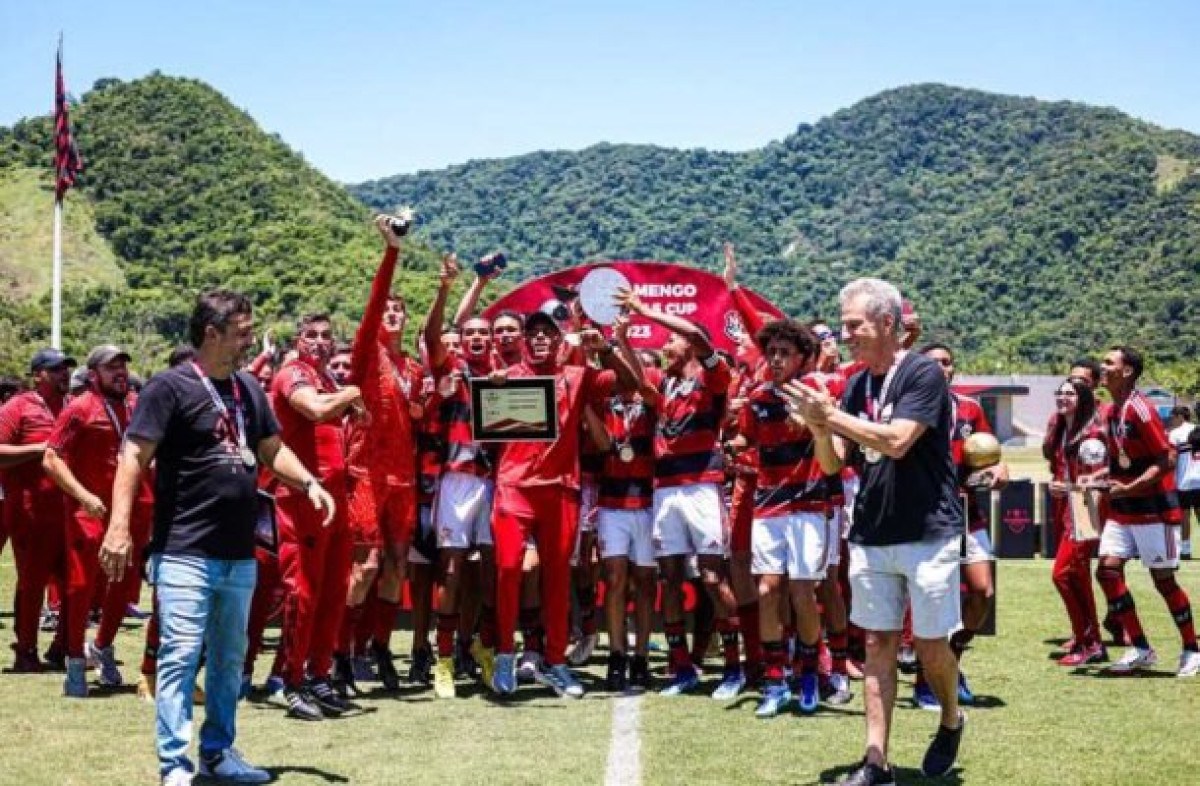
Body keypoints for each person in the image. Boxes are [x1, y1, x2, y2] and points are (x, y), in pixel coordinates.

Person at [99, 289, 335, 786]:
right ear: (212, 333)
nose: (250, 339)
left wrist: (310, 482)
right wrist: (119, 526)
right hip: (185, 549)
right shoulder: (169, 387)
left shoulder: (248, 388)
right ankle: (175, 765)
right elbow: (133, 458)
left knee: (229, 662)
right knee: (181, 657)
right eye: (243, 331)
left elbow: (271, 449)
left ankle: (218, 752)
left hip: (238, 554)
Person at [784, 278, 965, 785]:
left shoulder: (924, 373)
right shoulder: (857, 383)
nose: (846, 337)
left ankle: (951, 716)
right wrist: (821, 429)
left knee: (931, 648)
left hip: (929, 531)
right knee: (878, 647)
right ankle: (875, 761)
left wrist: (832, 415)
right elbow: (830, 465)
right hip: (871, 533)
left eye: (854, 326)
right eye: (843, 327)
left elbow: (898, 441)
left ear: (888, 324)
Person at [486, 304, 634, 698]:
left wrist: (605, 348)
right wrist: (492, 391)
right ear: (522, 340)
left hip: (560, 490)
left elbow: (628, 384)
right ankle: (504, 655)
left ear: (558, 339)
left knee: (557, 577)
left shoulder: (577, 376)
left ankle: (555, 661)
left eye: (547, 332)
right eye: (531, 332)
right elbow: (484, 423)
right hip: (513, 487)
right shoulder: (506, 379)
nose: (538, 338)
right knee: (507, 569)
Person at [616, 285, 743, 700]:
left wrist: (645, 310)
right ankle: (681, 666)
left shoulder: (713, 375)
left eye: (670, 340)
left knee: (710, 576)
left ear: (688, 344)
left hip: (701, 489)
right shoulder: (665, 385)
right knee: (669, 578)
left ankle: (733, 667)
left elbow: (702, 338)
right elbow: (638, 381)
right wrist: (619, 341)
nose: (665, 346)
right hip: (665, 491)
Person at [725, 319, 833, 717]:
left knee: (803, 592)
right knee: (769, 590)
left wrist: (811, 422)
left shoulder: (817, 393)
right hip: (768, 505)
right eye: (771, 352)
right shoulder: (756, 398)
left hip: (808, 505)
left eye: (784, 353)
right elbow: (746, 440)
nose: (775, 359)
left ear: (803, 357)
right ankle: (775, 679)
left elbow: (835, 441)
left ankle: (809, 674)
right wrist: (727, 443)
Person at [341, 216, 424, 692]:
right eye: (386, 309)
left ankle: (378, 648)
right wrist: (391, 253)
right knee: (364, 567)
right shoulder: (366, 354)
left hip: (403, 478)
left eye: (398, 310)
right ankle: (341, 654)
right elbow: (374, 305)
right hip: (366, 472)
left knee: (396, 567)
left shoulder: (410, 366)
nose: (391, 313)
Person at [42, 344, 154, 697]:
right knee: (80, 587)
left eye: (122, 366)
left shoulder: (137, 406)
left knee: (123, 585)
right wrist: (83, 496)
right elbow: (51, 458)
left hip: (133, 510)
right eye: (111, 368)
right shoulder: (79, 409)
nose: (119, 373)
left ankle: (102, 647)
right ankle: (75, 660)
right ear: (94, 375)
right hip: (89, 512)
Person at [271, 313, 364, 720]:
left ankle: (319, 675)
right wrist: (353, 392)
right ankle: (288, 681)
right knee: (303, 592)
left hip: (335, 499)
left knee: (332, 592)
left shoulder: (327, 380)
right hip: (302, 498)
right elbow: (313, 411)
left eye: (327, 336)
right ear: (298, 339)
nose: (320, 342)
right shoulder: (294, 374)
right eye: (311, 335)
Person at [1093, 347, 1198, 677]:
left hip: (1154, 509)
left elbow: (1165, 459)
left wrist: (1130, 487)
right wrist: (1098, 478)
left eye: (1109, 362)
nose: (1102, 366)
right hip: (1122, 510)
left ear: (1127, 371)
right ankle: (1140, 647)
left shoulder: (1142, 409)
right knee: (1107, 571)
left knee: (1163, 581)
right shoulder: (1111, 412)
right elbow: (1119, 459)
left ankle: (1192, 649)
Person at [915, 343, 1007, 708]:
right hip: (926, 516)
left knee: (982, 592)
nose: (941, 368)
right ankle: (925, 680)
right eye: (933, 362)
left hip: (968, 511)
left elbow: (992, 456)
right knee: (933, 598)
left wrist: (999, 471)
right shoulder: (910, 407)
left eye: (947, 362)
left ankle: (951, 661)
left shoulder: (969, 409)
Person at [0, 348, 75, 672]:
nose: (64, 374)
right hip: (31, 509)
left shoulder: (72, 407)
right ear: (38, 375)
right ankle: (26, 649)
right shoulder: (18, 407)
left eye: (66, 369)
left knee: (74, 581)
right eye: (56, 369)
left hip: (69, 509)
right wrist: (40, 449)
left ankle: (63, 647)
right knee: (32, 583)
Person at [1046, 376, 1107, 665]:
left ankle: (1088, 640)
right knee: (1078, 577)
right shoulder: (1062, 431)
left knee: (1063, 574)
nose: (1062, 398)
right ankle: (1091, 641)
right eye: (1060, 393)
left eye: (1069, 394)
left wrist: (1068, 487)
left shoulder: (1091, 434)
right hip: (1066, 509)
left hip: (1085, 509)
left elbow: (1100, 475)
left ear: (1082, 398)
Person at [1167, 405, 1197, 560]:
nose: (1171, 420)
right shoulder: (1197, 429)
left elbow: (1171, 459)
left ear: (1180, 416)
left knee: (1184, 516)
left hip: (1184, 481)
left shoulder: (1175, 434)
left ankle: (1185, 550)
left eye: (1173, 417)